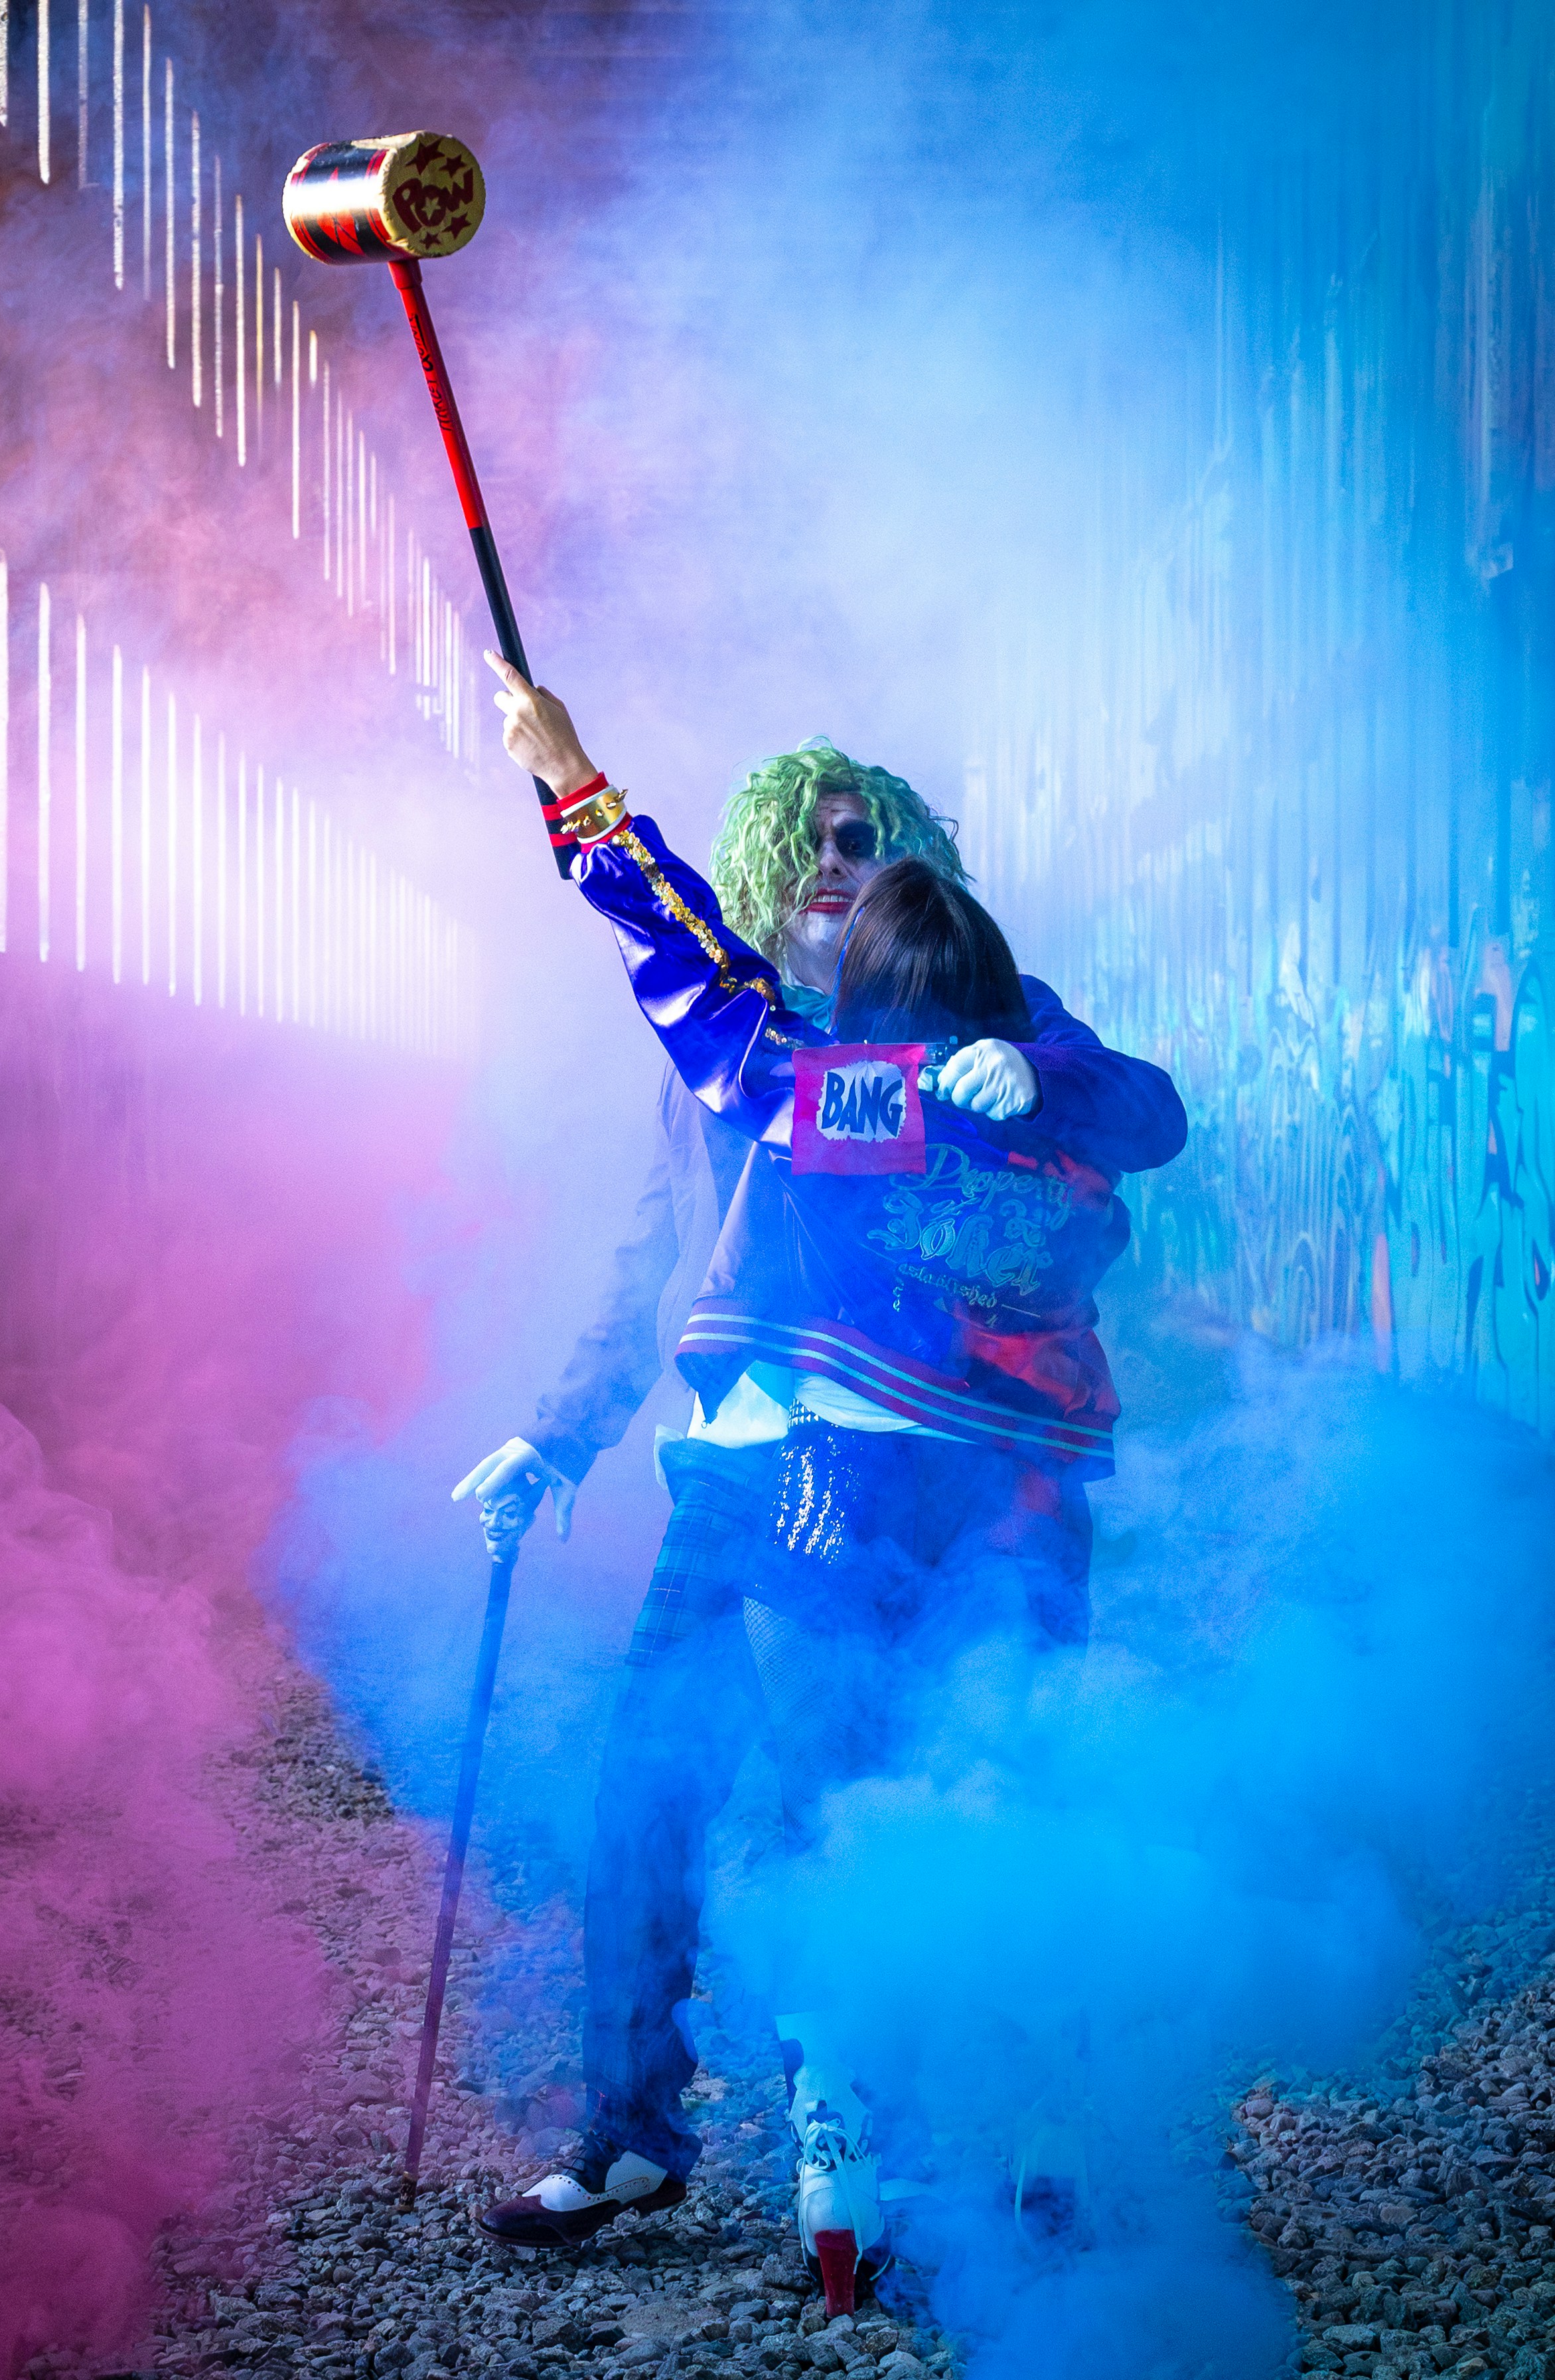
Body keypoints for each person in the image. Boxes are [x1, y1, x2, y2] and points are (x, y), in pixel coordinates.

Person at [456, 661, 1187, 2280]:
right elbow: (651, 1252)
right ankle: (638, 2133)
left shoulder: (964, 1015)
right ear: (769, 865)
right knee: (649, 1791)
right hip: (738, 1482)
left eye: (865, 837)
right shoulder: (741, 1060)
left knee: (903, 1788)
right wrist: (552, 1433)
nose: (835, 862)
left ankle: (893, 2143)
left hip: (914, 1485)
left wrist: (1034, 1075)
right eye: (809, 841)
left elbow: (1144, 1107)